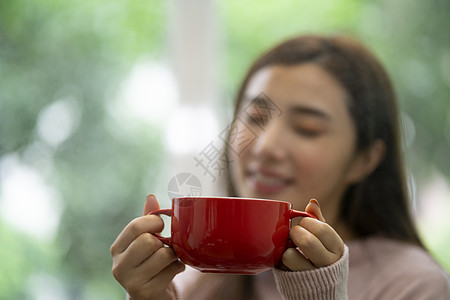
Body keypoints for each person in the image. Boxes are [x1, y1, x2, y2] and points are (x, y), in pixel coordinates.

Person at [110, 34, 450, 299]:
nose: (266, 146)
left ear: (365, 160)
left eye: (308, 129)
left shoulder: (413, 285)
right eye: (255, 118)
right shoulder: (195, 280)